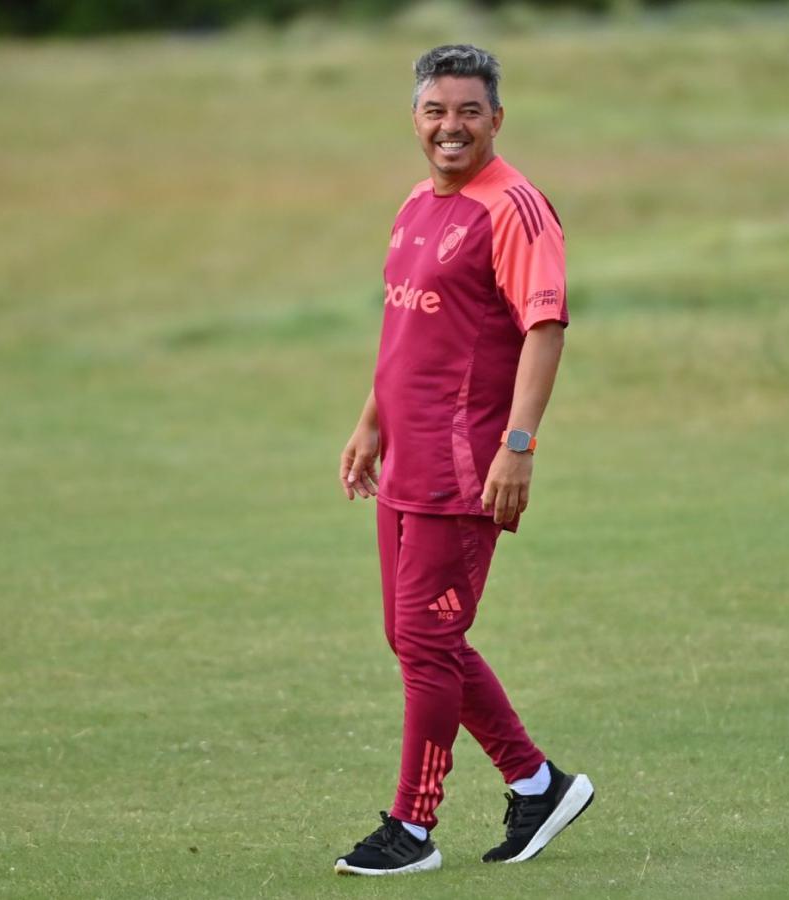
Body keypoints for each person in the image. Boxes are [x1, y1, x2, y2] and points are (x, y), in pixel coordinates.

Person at [334, 43, 592, 876]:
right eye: (435, 111)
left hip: (464, 463)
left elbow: (543, 329)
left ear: (496, 119)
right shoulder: (417, 202)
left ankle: (411, 828)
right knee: (415, 639)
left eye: (468, 112)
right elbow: (408, 329)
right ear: (414, 118)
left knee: (425, 641)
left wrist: (518, 446)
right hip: (404, 459)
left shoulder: (514, 208)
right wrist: (371, 422)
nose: (451, 127)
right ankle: (537, 783)